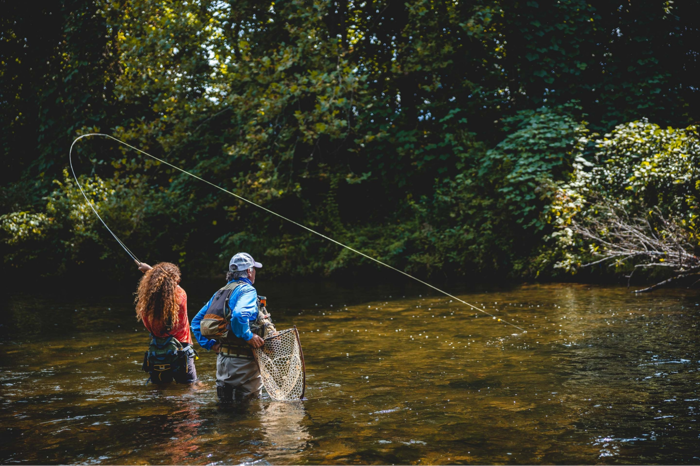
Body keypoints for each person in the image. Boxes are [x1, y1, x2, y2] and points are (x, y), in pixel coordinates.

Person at [192, 252, 267, 403]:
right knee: (249, 410)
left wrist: (211, 345)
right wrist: (249, 336)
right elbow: (239, 316)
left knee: (225, 406)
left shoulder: (220, 292)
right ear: (249, 271)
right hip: (243, 364)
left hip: (223, 362)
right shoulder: (248, 290)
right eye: (254, 269)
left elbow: (195, 322)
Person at [135, 261, 197, 384]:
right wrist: (151, 270)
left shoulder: (146, 306)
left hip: (158, 354)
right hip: (181, 351)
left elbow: (148, 327)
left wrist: (152, 274)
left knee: (159, 392)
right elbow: (170, 284)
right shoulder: (181, 295)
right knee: (191, 389)